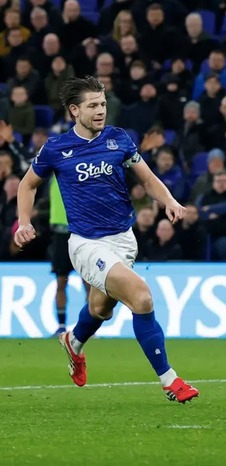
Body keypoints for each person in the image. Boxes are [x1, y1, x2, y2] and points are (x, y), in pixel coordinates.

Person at [14, 77, 198, 404]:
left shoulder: (118, 139)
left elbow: (147, 178)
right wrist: (24, 222)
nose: (101, 111)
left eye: (102, 104)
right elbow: (27, 185)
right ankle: (170, 380)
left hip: (124, 240)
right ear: (75, 110)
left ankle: (73, 341)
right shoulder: (56, 148)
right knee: (141, 296)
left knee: (100, 309)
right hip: (87, 243)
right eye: (93, 106)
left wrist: (169, 201)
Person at [48, 173, 90, 336]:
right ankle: (61, 325)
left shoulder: (82, 172)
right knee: (61, 282)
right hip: (60, 234)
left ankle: (89, 326)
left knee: (88, 282)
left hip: (81, 232)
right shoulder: (51, 170)